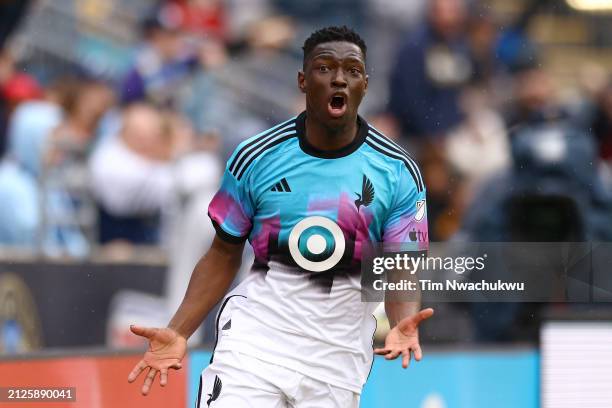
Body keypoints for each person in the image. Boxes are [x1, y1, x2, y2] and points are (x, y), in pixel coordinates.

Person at [127, 26, 433, 407]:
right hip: (255, 345)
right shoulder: (255, 157)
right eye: (325, 68)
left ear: (365, 85)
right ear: (303, 81)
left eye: (352, 70)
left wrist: (402, 318)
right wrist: (179, 331)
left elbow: (401, 266)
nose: (339, 77)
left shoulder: (398, 170)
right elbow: (223, 252)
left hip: (337, 362)